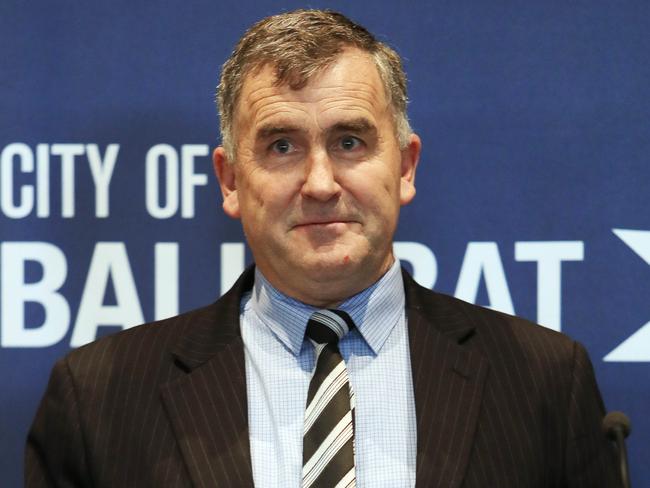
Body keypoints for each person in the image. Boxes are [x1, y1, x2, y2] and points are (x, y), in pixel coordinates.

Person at [26, 9, 620, 488]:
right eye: (282, 146)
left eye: (350, 141)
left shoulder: (545, 382)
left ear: (406, 166)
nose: (319, 183)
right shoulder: (98, 399)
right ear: (231, 180)